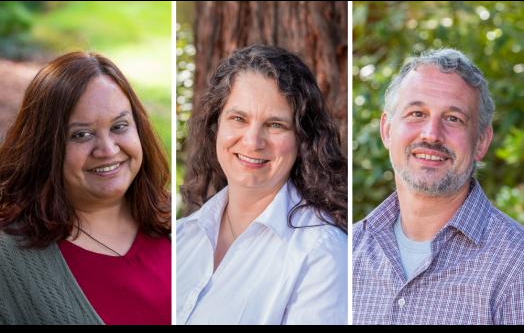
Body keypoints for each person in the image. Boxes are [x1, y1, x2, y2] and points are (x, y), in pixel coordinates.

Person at [176, 44, 348, 325]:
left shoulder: (321, 254)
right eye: (238, 118)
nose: (253, 141)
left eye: (275, 125)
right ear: (216, 125)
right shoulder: (183, 236)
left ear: (302, 139)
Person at [353, 48, 524, 324]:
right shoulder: (348, 251)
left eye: (453, 119)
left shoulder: (517, 266)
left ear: (481, 141)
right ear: (386, 130)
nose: (431, 134)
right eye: (417, 113)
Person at [0, 52, 171, 325]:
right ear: (45, 147)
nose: (108, 149)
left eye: (119, 126)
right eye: (81, 134)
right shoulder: (9, 262)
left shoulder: (183, 223)